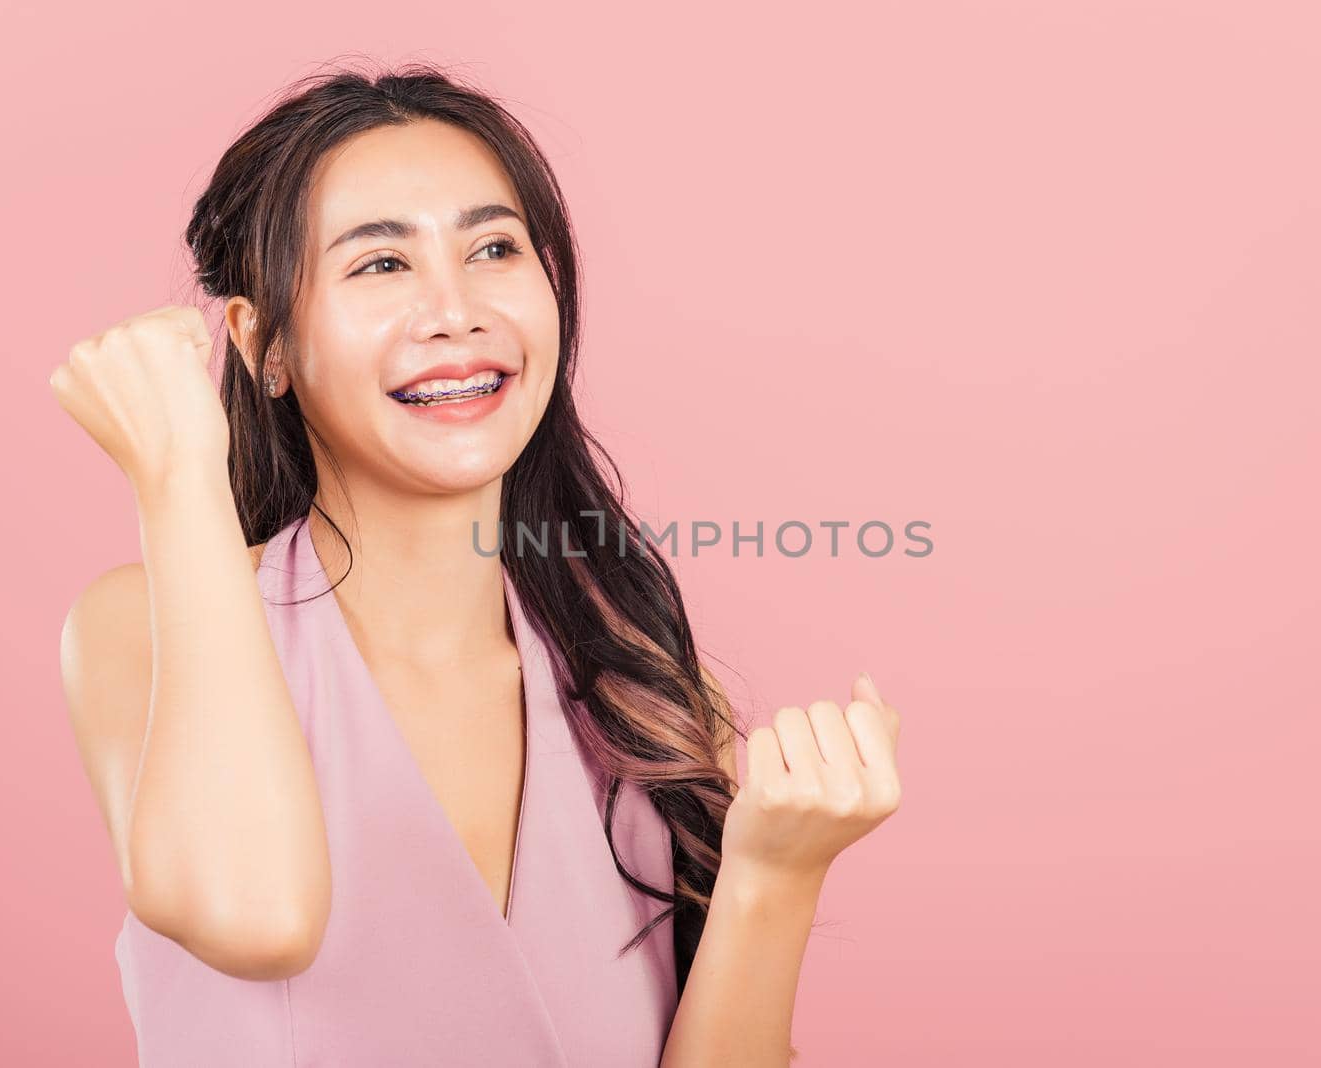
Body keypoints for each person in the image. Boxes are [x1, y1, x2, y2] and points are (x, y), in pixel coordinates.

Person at [51, 59, 902, 1066]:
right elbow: (256, 918)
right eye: (380, 264)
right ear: (261, 342)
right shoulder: (139, 630)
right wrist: (178, 476)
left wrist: (774, 874)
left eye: (494, 248)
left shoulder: (647, 706)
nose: (454, 310)